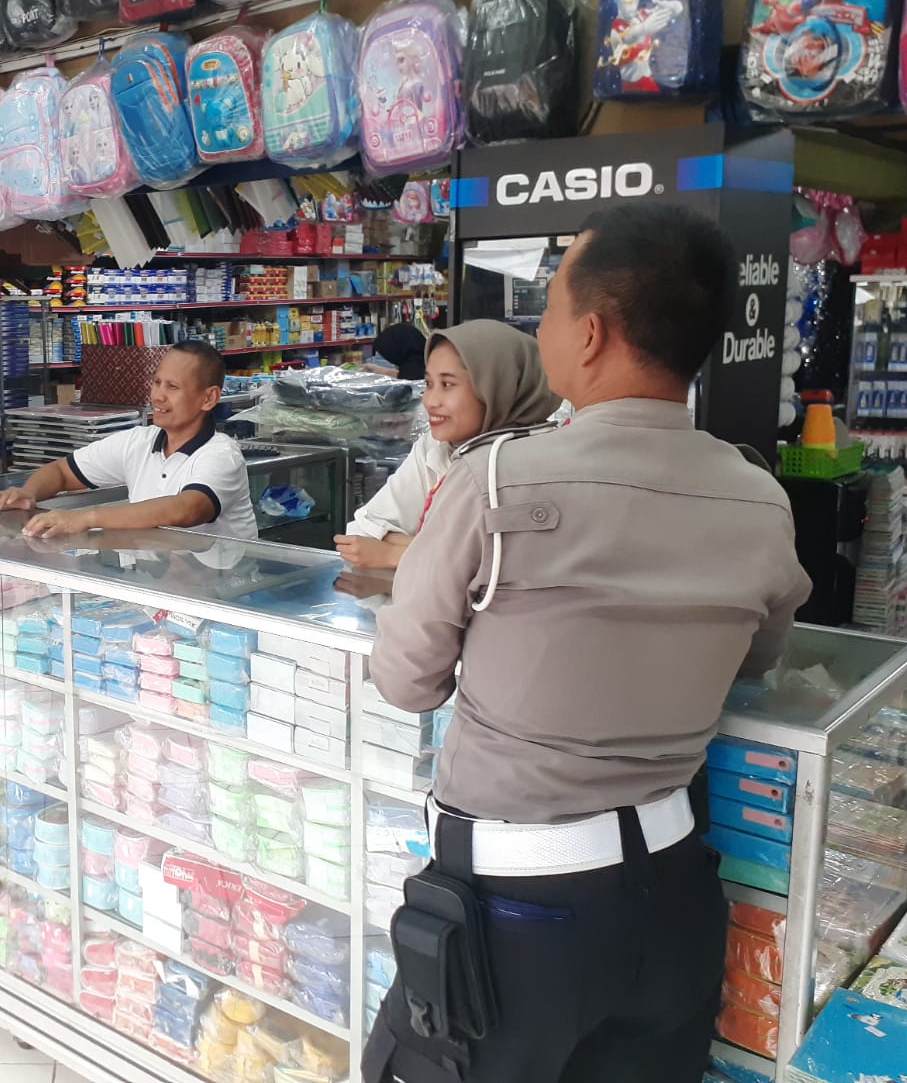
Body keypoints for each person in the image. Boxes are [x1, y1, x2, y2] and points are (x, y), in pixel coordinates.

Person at [364, 203, 812, 1083]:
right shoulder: (760, 498)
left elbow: (407, 679)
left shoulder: (496, 479)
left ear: (593, 334)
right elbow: (756, 660)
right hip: (675, 901)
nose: (543, 332)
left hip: (513, 916)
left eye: (552, 310)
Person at [335, 320, 557, 572]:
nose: (430, 401)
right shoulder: (437, 447)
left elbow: (502, 569)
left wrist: (395, 554)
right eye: (429, 384)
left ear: (497, 387)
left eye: (448, 385)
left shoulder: (541, 462)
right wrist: (438, 554)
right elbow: (361, 533)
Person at [0, 340, 259, 541]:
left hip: (223, 591)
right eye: (156, 383)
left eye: (173, 387)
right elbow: (62, 471)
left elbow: (188, 509)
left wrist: (87, 518)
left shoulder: (221, 455)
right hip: (158, 585)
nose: (158, 396)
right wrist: (29, 492)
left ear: (209, 398)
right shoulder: (138, 442)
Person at [362, 320, 429, 380]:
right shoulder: (420, 359)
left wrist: (379, 370)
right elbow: (403, 374)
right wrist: (378, 370)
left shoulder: (417, 369)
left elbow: (409, 376)